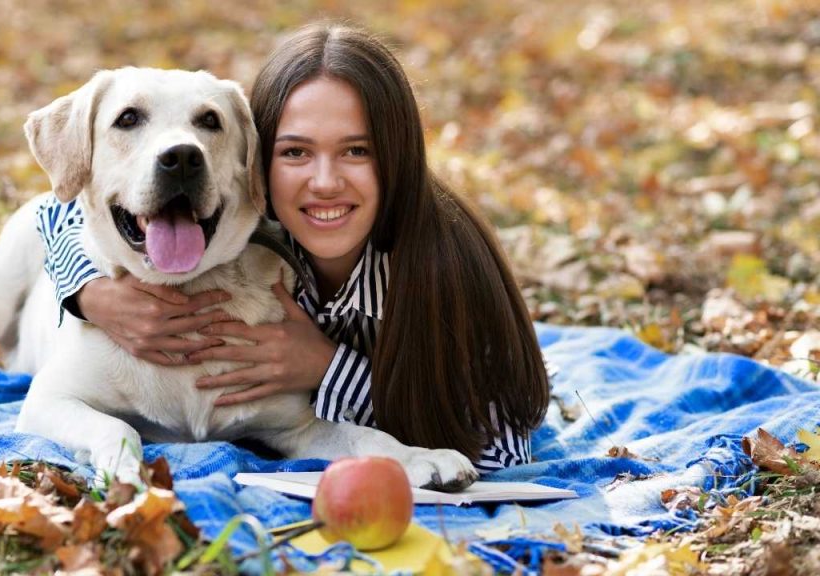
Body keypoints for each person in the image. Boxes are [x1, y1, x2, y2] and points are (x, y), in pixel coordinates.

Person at [36, 23, 550, 472]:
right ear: (264, 162)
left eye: (357, 150)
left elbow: (499, 444)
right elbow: (52, 210)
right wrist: (87, 294)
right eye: (296, 152)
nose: (324, 181)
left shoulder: (439, 267)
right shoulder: (273, 228)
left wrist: (327, 368)